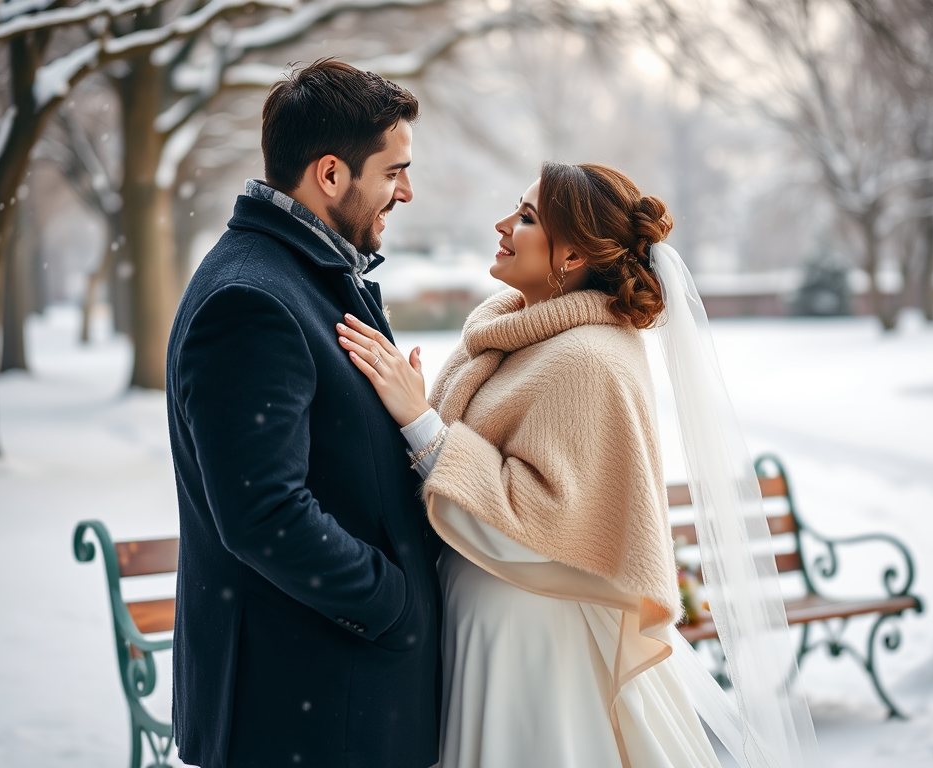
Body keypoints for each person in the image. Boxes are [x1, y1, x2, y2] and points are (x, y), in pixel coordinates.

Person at [336, 162, 823, 768]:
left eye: (528, 217)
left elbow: (539, 528)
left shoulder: (590, 359)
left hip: (535, 641)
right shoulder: (511, 333)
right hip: (491, 624)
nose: (503, 224)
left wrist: (422, 423)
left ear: (572, 255)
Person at [166, 59, 442, 768]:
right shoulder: (252, 301)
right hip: (304, 715)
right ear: (329, 174)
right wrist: (394, 604)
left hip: (328, 703)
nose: (406, 192)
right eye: (392, 172)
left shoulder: (306, 273)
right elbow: (264, 515)